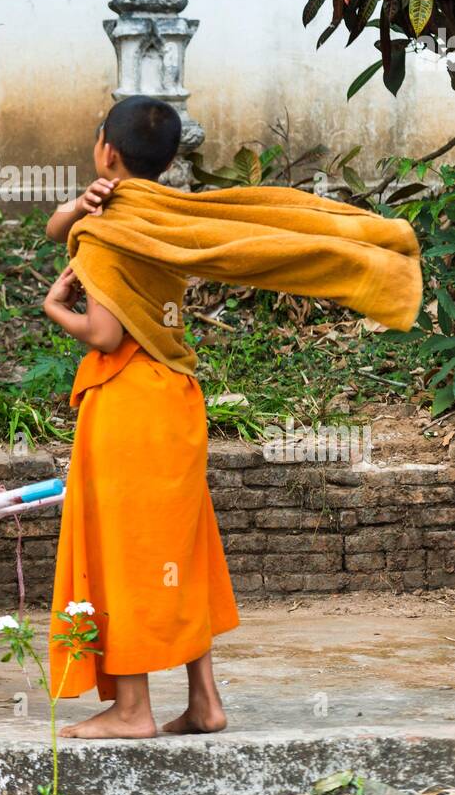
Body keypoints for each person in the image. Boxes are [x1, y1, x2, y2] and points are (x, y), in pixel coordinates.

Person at [42, 97, 421, 739]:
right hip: (175, 397)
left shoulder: (107, 230)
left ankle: (133, 710)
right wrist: (80, 208)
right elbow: (62, 230)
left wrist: (57, 307)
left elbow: (104, 335)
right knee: (178, 550)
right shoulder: (161, 215)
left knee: (127, 552)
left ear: (105, 148)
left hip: (128, 404)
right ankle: (205, 701)